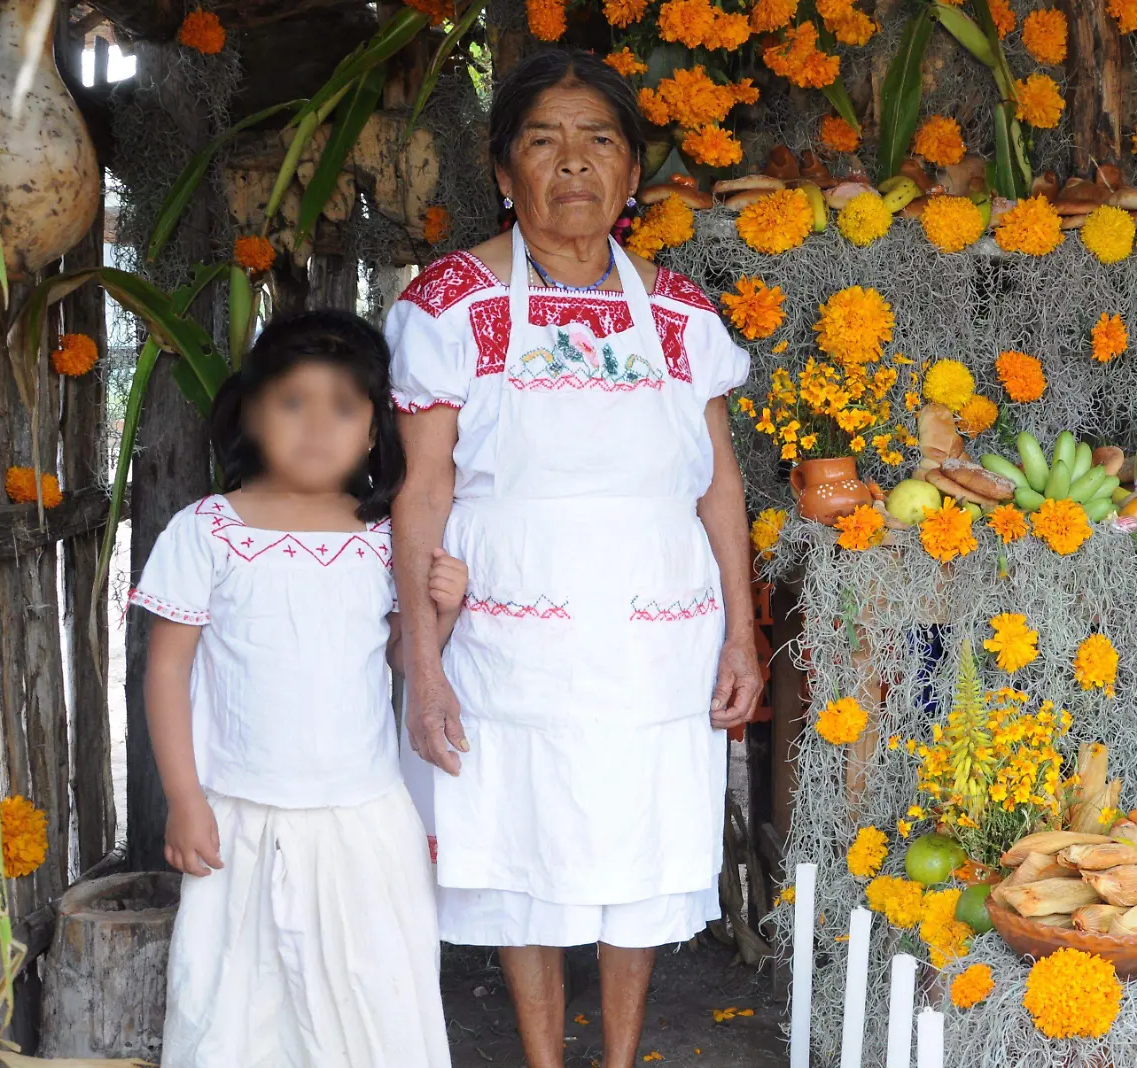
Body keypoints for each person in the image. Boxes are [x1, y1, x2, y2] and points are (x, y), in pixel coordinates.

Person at [387, 49, 763, 1068]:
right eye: (544, 141)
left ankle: (619, 1058)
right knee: (519, 845)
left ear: (632, 174)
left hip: (656, 634)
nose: (573, 164)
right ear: (502, 169)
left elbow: (717, 483)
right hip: (513, 629)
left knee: (638, 848)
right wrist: (423, 661)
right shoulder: (449, 303)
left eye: (598, 141)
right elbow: (422, 490)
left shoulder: (682, 315)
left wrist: (743, 629)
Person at [134, 311, 462, 1067]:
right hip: (243, 816)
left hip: (363, 817)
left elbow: (404, 664)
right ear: (251, 411)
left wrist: (439, 612)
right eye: (293, 402)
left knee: (375, 996)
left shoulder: (385, 537)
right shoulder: (207, 531)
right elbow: (167, 669)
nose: (317, 425)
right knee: (240, 1007)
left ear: (375, 430)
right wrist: (185, 799)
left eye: (343, 408)